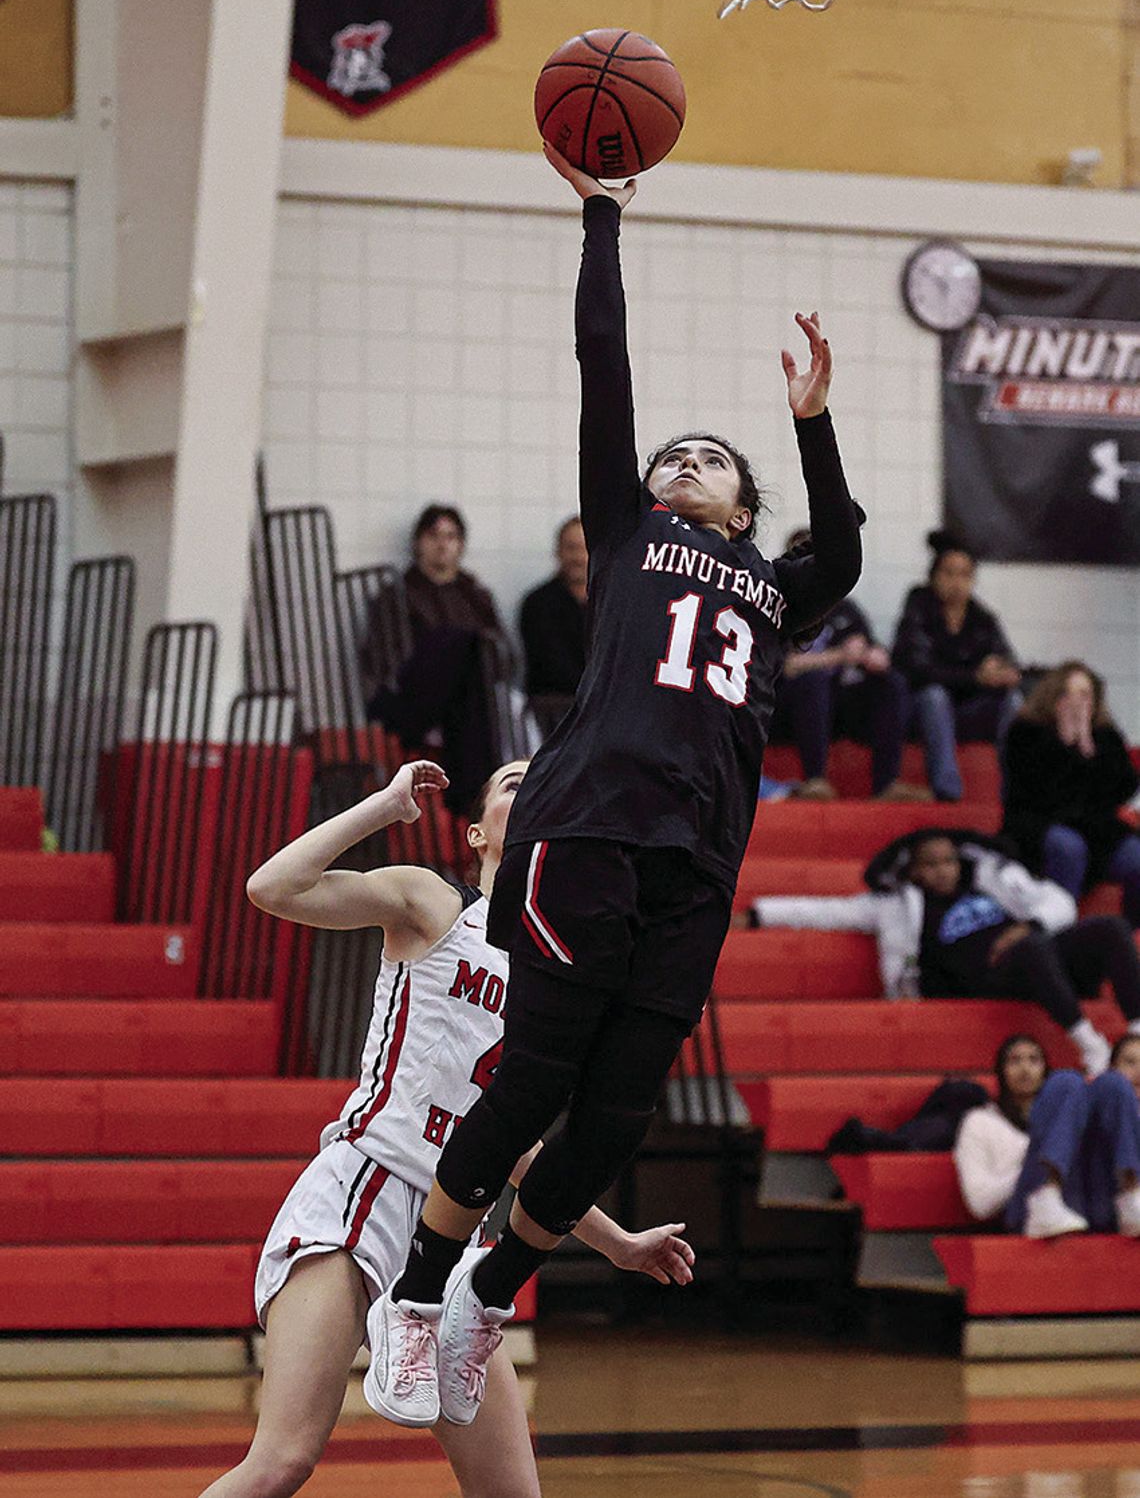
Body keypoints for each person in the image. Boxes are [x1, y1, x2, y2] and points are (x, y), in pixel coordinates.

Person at [369, 142, 862, 1429]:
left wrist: (813, 419)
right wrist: (602, 215)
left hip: (697, 863)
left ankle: (489, 1292)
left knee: (618, 1115)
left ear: (749, 506)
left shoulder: (775, 585)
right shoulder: (634, 536)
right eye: (673, 456)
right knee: (533, 1082)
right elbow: (607, 364)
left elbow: (846, 548)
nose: (683, 459)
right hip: (583, 828)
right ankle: (414, 1298)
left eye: (712, 456)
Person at [197, 757, 695, 1497]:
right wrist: (385, 807)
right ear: (475, 832)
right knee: (283, 1461)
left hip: (450, 1233)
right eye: (513, 783)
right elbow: (272, 888)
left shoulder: (559, 974)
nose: (533, 792)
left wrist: (617, 1243)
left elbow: (518, 1151)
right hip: (361, 1194)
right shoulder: (433, 902)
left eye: (545, 786)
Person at [750, 828, 1140, 1075]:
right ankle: (1093, 1048)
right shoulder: (896, 905)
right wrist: (759, 913)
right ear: (914, 871)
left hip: (1038, 956)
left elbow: (1057, 902)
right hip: (988, 977)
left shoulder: (990, 882)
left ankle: (1137, 1033)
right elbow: (827, 912)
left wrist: (1030, 925)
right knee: (1031, 950)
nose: (942, 870)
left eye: (949, 861)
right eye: (930, 864)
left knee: (1110, 927)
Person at [366, 505, 506, 816]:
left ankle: (470, 799)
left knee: (475, 656)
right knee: (463, 644)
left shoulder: (476, 596)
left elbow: (503, 657)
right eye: (433, 535)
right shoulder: (396, 595)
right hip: (411, 701)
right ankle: (474, 799)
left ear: (461, 544)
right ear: (418, 542)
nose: (442, 544)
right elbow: (385, 663)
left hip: (466, 705)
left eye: (451, 536)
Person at [772, 527, 923, 802]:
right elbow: (788, 666)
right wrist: (840, 656)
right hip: (790, 705)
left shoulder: (846, 609)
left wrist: (874, 657)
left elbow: (872, 649)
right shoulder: (780, 606)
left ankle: (887, 783)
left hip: (838, 703)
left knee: (891, 682)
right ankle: (815, 779)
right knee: (813, 681)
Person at [954, 1034, 1140, 1238]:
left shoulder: (1080, 1112)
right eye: (1014, 1060)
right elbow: (980, 1203)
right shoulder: (980, 1121)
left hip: (1095, 1206)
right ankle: (1047, 1195)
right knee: (1067, 1080)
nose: (1025, 1069)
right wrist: (1030, 1164)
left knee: (1113, 1083)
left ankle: (1132, 1195)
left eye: (1034, 1060)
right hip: (1029, 1207)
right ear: (1001, 1070)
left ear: (1044, 1068)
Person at [1003, 660, 1140, 923]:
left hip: (1096, 828)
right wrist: (1064, 745)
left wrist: (1088, 748)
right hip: (1039, 824)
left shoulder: (1105, 736)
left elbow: (1124, 788)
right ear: (1053, 696)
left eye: (1085, 695)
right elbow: (1032, 792)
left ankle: (1132, 935)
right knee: (1068, 847)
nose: (1077, 702)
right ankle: (1061, 928)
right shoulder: (1026, 732)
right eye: (1068, 694)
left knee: (1135, 855)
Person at [892, 530, 1020, 802]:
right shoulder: (919, 606)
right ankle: (947, 790)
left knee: (1013, 701)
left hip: (969, 712)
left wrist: (1001, 669)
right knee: (934, 696)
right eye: (949, 573)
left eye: (964, 574)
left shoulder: (982, 617)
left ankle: (1016, 791)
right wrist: (976, 677)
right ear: (934, 576)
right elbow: (918, 669)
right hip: (925, 713)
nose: (956, 582)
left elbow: (1008, 659)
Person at [519, 516, 589, 736]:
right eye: (571, 548)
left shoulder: (614, 602)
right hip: (550, 716)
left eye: (583, 548)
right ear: (558, 552)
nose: (578, 557)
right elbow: (550, 666)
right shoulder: (538, 603)